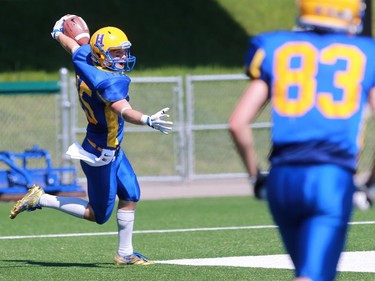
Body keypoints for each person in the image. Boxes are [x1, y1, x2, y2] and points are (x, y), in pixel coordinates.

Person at [9, 15, 173, 266]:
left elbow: (74, 46)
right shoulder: (109, 81)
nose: (122, 58)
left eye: (122, 52)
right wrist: (147, 119)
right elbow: (125, 111)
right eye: (116, 53)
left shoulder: (85, 57)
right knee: (97, 215)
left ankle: (125, 254)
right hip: (101, 153)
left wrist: (57, 34)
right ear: (102, 55)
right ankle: (40, 198)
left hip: (112, 148)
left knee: (131, 194)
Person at [228, 1, 375, 280]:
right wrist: (370, 184)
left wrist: (256, 177)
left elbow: (237, 124)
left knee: (305, 272)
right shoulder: (366, 53)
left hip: (283, 177)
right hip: (330, 177)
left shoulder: (274, 47)